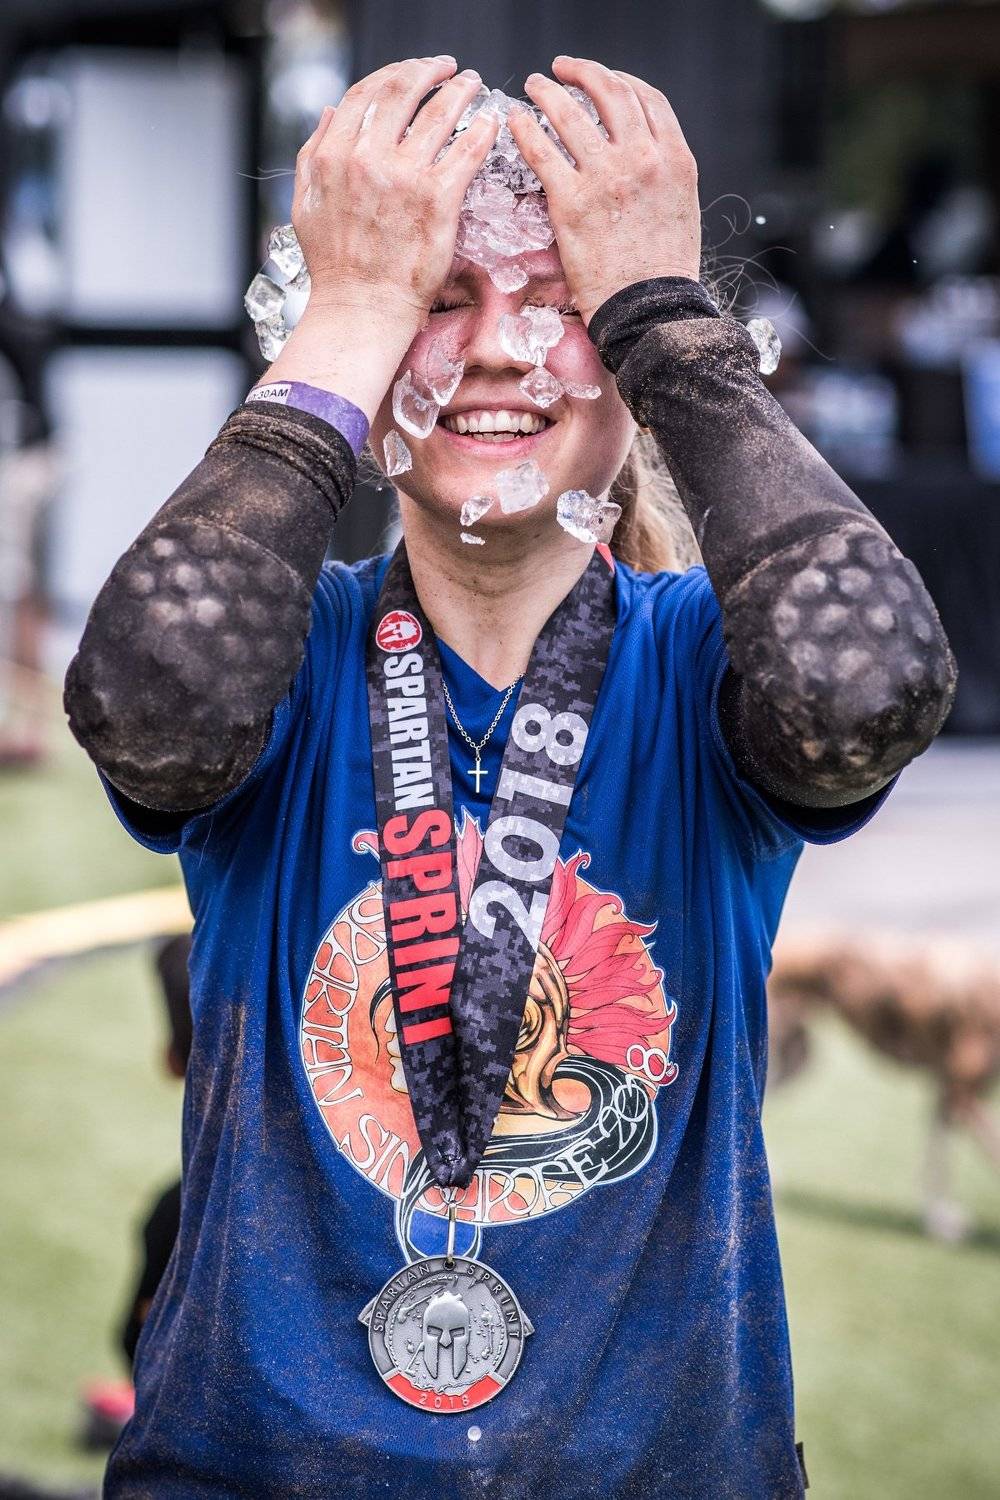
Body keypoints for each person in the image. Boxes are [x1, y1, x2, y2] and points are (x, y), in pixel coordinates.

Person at [64, 55, 955, 1500]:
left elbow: (869, 687)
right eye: (439, 300)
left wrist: (666, 318)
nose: (496, 350)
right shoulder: (289, 656)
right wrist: (351, 310)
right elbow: (149, 702)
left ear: (635, 363)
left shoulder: (698, 661)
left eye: (561, 303)